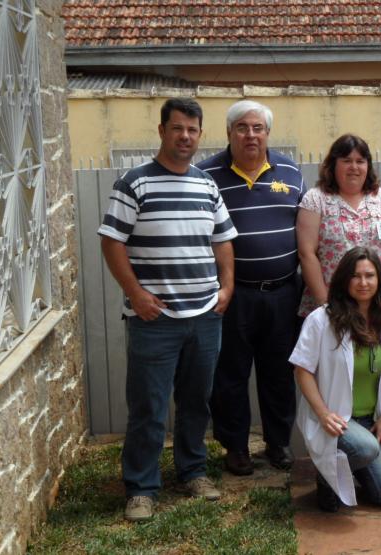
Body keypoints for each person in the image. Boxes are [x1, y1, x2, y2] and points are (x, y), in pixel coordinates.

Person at [98, 98, 237, 521]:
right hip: (153, 319)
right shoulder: (134, 183)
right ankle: (141, 487)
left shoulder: (205, 184)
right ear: (162, 131)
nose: (185, 137)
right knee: (149, 406)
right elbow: (111, 241)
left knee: (196, 401)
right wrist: (135, 294)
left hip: (204, 315)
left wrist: (227, 287)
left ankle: (192, 471)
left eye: (193, 130)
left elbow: (222, 239)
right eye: (177, 128)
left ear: (200, 134)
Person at [197, 101, 305, 473]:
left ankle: (278, 444)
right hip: (232, 294)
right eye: (242, 127)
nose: (251, 135)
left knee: (279, 374)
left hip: (283, 293)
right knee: (230, 375)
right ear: (229, 133)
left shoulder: (290, 172)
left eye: (258, 128)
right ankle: (236, 447)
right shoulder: (205, 174)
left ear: (268, 133)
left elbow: (305, 230)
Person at [290, 247, 381, 512]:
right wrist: (323, 414)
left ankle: (347, 468)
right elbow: (302, 370)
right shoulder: (321, 320)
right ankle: (328, 478)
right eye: (356, 276)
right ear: (344, 279)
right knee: (365, 448)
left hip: (372, 421)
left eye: (370, 276)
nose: (363, 283)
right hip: (336, 419)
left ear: (380, 280)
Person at [297, 134, 381, 318]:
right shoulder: (315, 200)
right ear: (333, 164)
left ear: (368, 165)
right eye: (347, 160)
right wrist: (325, 305)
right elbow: (306, 253)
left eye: (360, 161)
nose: (354, 167)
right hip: (333, 306)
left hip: (379, 306)